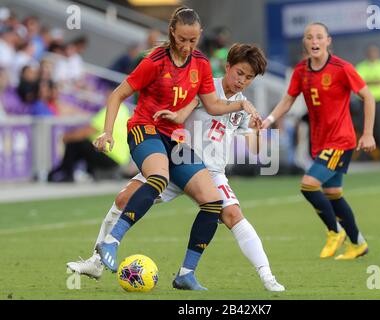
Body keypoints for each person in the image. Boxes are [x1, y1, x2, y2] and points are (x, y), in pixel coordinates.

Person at [68, 43, 284, 292]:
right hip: (176, 161)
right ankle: (96, 261)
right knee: (123, 199)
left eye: (249, 78)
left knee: (233, 215)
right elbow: (182, 111)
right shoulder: (205, 87)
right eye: (239, 73)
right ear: (228, 66)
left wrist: (258, 132)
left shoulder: (245, 107)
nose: (242, 81)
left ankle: (266, 276)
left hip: (211, 173)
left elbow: (255, 149)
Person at [93, 7, 261, 290]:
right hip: (144, 128)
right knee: (158, 178)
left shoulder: (201, 63)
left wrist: (242, 104)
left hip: (172, 139)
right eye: (182, 39)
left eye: (193, 40)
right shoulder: (154, 62)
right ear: (172, 32)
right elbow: (117, 94)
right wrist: (107, 132)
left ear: (200, 36)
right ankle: (111, 241)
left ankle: (185, 274)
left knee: (212, 202)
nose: (187, 46)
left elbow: (213, 105)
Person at [261, 22, 376, 260]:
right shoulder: (301, 71)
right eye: (309, 37)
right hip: (320, 142)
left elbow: (368, 97)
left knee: (308, 184)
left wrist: (368, 133)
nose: (314, 41)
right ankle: (358, 244)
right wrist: (269, 119)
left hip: (341, 140)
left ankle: (335, 231)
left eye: (319, 37)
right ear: (305, 42)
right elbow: (288, 99)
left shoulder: (342, 68)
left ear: (328, 41)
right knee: (333, 193)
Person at [47, 103, 130, 182]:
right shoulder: (124, 110)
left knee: (78, 142)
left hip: (110, 157)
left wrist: (66, 137)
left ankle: (66, 173)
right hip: (121, 159)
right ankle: (67, 170)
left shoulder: (110, 110)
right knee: (85, 144)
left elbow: (87, 131)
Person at [356, 44, 380, 160]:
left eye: (375, 52)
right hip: (364, 102)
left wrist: (368, 82)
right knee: (365, 129)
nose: (373, 54)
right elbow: (358, 83)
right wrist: (374, 81)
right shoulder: (361, 67)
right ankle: (366, 156)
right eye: (371, 52)